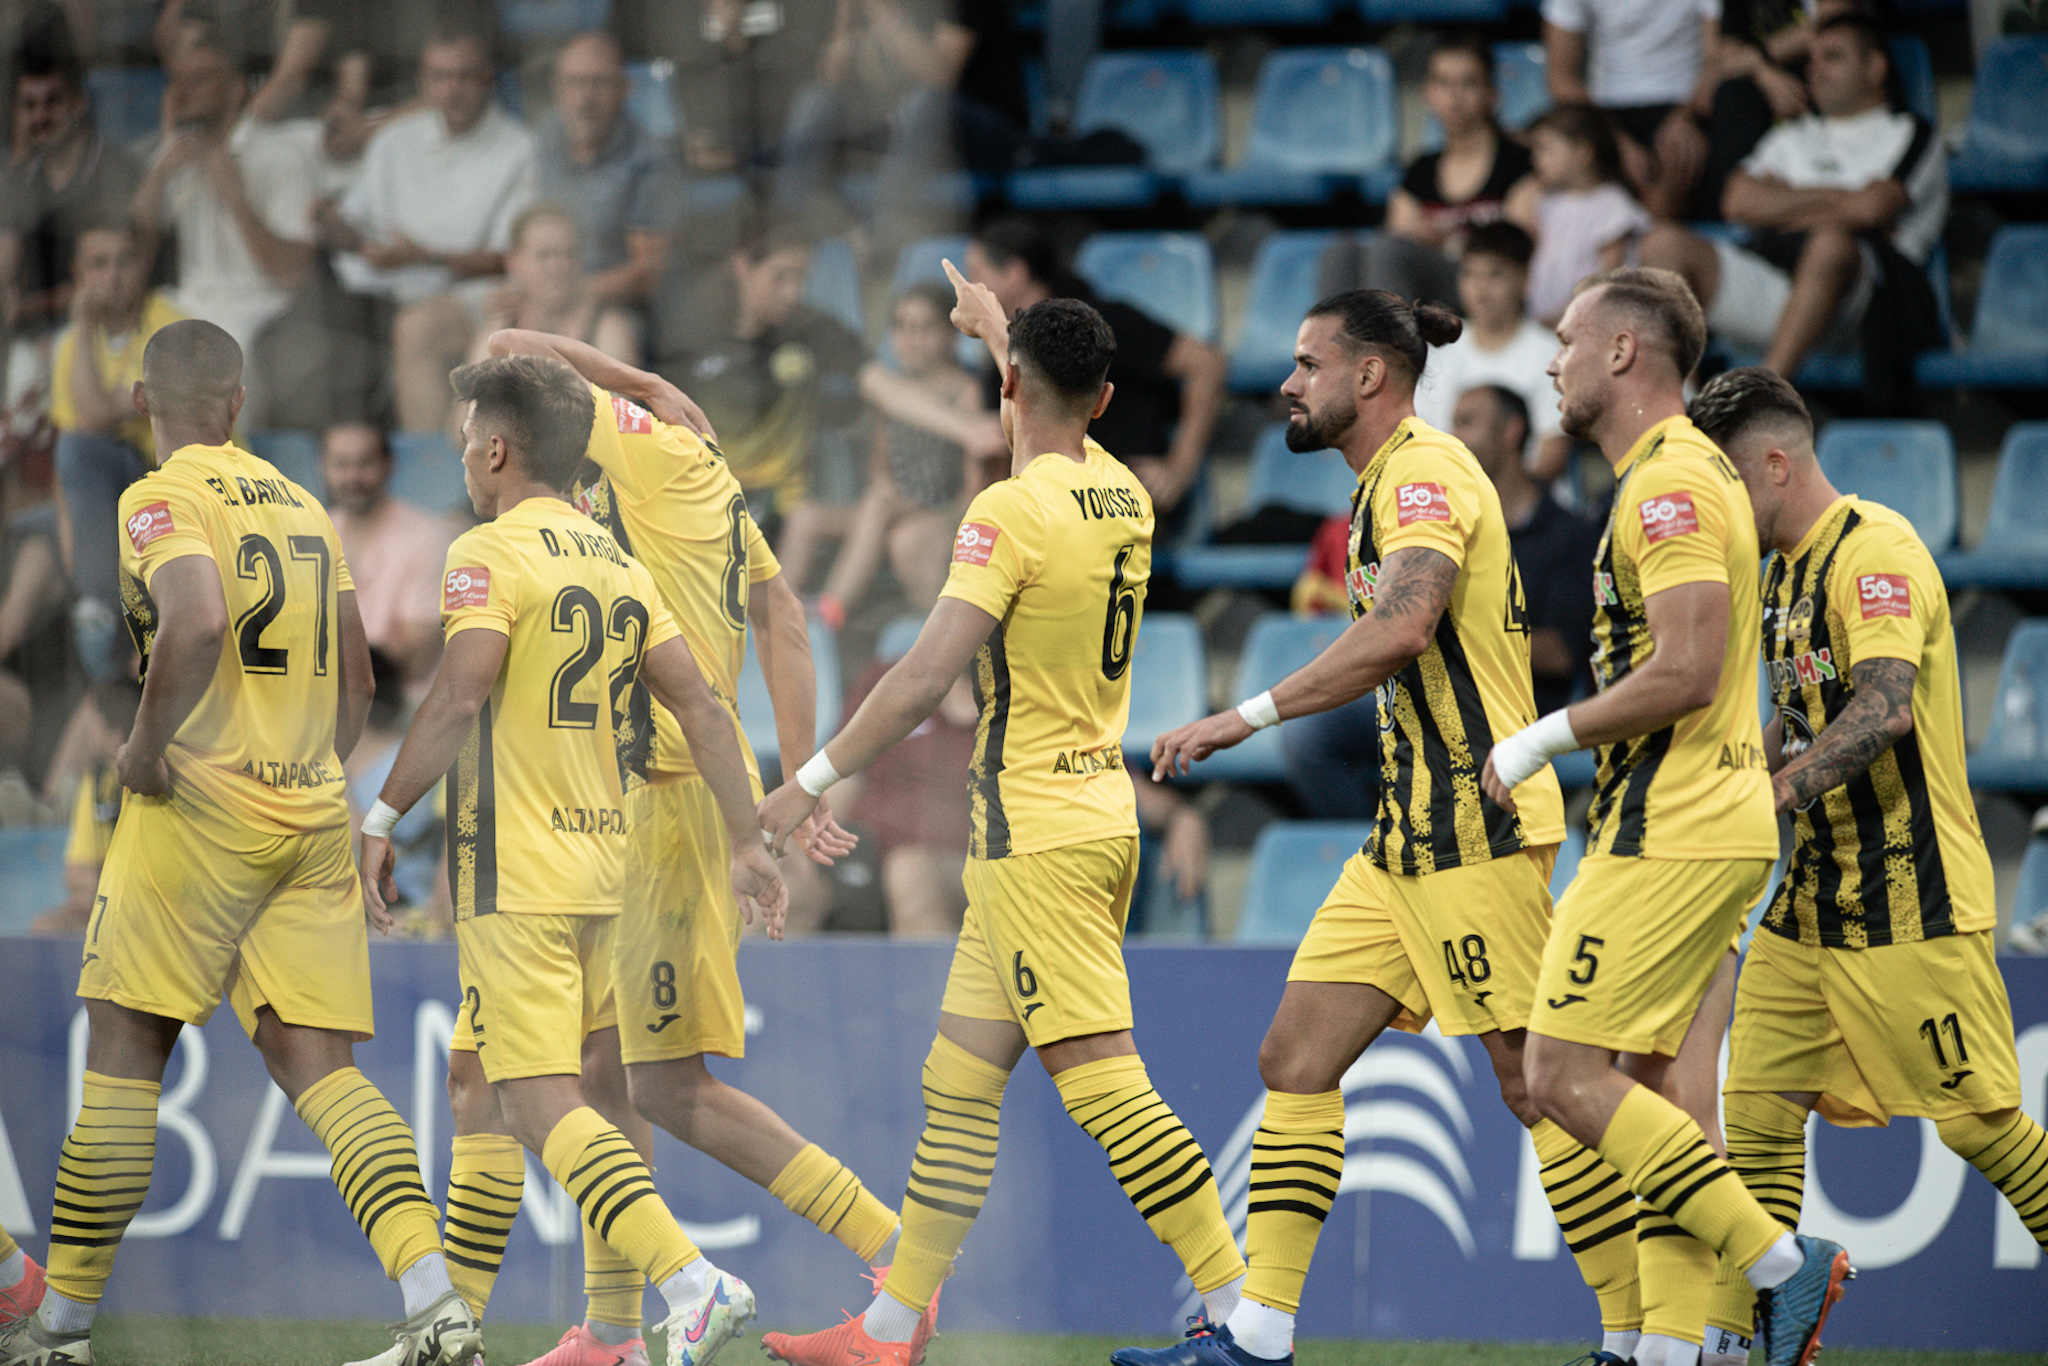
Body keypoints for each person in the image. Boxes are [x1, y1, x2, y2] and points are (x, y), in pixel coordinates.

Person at [1115, 292, 1629, 1366]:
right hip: (1406, 838)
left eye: (1306, 363)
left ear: (1366, 377)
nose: (1287, 383)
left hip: (1471, 826)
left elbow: (1403, 626)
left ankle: (1648, 1338)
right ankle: (1258, 1336)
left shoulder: (1424, 472)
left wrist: (1237, 715)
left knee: (1540, 1086)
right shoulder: (1376, 486)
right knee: (1293, 1058)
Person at [754, 268, 1247, 1366]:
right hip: (1085, 816)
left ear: (1012, 386)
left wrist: (811, 779)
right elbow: (1046, 430)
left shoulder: (1005, 511)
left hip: (1035, 834)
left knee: (1104, 1082)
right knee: (960, 1081)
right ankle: (890, 1328)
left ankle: (1242, 1312)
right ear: (1107, 402)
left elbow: (928, 676)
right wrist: (995, 333)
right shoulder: (1121, 490)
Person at [0, 319, 477, 1366]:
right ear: (239, 399)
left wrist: (140, 748)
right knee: (326, 1073)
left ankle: (62, 1332)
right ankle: (437, 1307)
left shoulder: (156, 497)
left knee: (126, 1058)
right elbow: (358, 681)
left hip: (194, 813)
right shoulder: (305, 505)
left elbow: (199, 621)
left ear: (141, 400)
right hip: (309, 815)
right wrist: (307, 769)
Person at [442, 326, 897, 1366]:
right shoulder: (699, 468)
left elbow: (508, 343)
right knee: (604, 1072)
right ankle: (611, 1335)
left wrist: (640, 380)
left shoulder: (636, 447)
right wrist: (798, 776)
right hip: (637, 795)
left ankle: (897, 1258)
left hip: (667, 791)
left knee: (660, 1083)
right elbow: (779, 614)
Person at [354, 355, 787, 1366]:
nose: (463, 454)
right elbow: (703, 707)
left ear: (497, 449)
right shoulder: (614, 558)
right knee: (479, 1075)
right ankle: (449, 1330)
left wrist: (379, 816)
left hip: (519, 875)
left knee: (536, 1098)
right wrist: (744, 839)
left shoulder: (485, 555)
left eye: (467, 438)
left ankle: (690, 1277)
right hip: (607, 873)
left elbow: (459, 698)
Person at [1480, 268, 1853, 1366]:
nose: (1547, 359)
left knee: (1558, 1075)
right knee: (1663, 1097)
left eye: (1562, 338)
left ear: (1621, 354)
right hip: (1708, 824)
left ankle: (1781, 1267)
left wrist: (1538, 737)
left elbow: (1687, 669)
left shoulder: (1670, 488)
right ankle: (1665, 1347)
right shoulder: (1670, 475)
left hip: (1671, 830)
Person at [1685, 367, 2048, 1366]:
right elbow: (1800, 716)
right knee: (1750, 1111)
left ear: (1771, 462)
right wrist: (1728, 774)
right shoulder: (1775, 575)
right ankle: (1740, 1342)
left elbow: (1883, 707)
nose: (1712, 507)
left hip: (1912, 899)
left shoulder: (1873, 551)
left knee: (1980, 1128)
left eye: (1721, 482)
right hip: (1812, 902)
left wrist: (1775, 793)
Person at [1638, 13, 1946, 391]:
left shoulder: (1910, 132)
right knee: (1662, 244)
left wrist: (1784, 203)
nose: (1815, 70)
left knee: (1831, 243)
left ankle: (1761, 401)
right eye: (1812, 60)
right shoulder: (1793, 135)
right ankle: (1685, 419)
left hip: (1868, 301)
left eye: (1832, 57)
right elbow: (1737, 202)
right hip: (1779, 282)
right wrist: (1839, 195)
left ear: (1875, 66)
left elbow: (1872, 209)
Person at [319, 29, 535, 431]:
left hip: (476, 293)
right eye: (439, 77)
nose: (452, 90)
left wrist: (422, 257)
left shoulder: (519, 148)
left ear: (487, 78)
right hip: (381, 290)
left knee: (416, 327)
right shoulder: (393, 141)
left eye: (464, 77)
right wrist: (332, 224)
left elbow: (509, 259)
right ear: (423, 82)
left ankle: (430, 470)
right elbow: (354, 225)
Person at [966, 217, 1225, 527]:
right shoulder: (1004, 346)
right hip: (1048, 504)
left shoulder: (1096, 324)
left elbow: (1207, 363)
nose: (969, 289)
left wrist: (1180, 466)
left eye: (976, 276)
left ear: (1015, 273)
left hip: (1118, 499)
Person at [126, 24, 320, 397]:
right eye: (176, 81)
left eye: (198, 80)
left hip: (256, 313)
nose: (181, 92)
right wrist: (157, 177)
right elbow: (131, 252)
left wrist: (236, 199)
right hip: (182, 306)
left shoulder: (281, 157)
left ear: (237, 88)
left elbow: (292, 274)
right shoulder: (173, 158)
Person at [796, 282, 985, 626]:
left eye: (924, 327)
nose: (911, 338)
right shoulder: (892, 390)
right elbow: (879, 464)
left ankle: (831, 610)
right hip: (890, 507)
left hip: (941, 512)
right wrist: (888, 493)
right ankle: (778, 615)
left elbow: (974, 491)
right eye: (902, 326)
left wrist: (912, 507)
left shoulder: (965, 391)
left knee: (887, 518)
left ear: (951, 334)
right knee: (806, 515)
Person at [651, 227, 866, 528]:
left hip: (783, 513)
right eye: (780, 277)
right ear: (742, 266)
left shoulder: (811, 328)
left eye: (801, 278)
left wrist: (956, 424)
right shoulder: (690, 337)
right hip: (704, 506)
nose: (793, 292)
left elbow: (880, 383)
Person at [49, 221, 182, 682]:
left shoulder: (169, 322)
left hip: (170, 479)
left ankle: (104, 606)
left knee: (81, 448)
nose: (113, 276)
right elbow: (68, 467)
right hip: (108, 497)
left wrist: (83, 321)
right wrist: (78, 578)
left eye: (125, 261)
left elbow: (94, 417)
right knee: (35, 522)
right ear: (78, 272)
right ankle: (97, 604)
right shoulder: (70, 347)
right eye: (98, 264)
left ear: (144, 266)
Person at [1320, 36, 1536, 312]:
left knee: (1389, 252)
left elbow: (1516, 249)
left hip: (1483, 288)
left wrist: (1445, 242)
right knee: (1341, 250)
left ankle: (1396, 350)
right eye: (1443, 83)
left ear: (1492, 93)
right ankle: (1336, 350)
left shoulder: (1519, 165)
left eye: (1468, 83)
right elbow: (1399, 234)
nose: (1455, 97)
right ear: (1428, 93)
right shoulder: (1419, 172)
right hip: (1425, 290)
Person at [1453, 384, 1600, 716]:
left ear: (1511, 431)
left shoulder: (1571, 536)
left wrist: (1456, 637)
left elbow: (1561, 655)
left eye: (1466, 422)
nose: (1453, 437)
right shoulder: (1453, 528)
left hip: (1519, 717)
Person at [0, 42, 144, 337]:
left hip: (105, 327)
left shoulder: (116, 170)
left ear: (79, 103)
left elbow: (109, 282)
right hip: (31, 334)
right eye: (29, 106)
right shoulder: (19, 178)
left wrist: (27, 307)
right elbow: (4, 268)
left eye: (52, 102)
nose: (41, 116)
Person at [531, 32, 682, 312]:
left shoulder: (652, 161)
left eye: (599, 83)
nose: (585, 97)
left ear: (625, 88)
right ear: (557, 88)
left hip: (610, 307)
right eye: (574, 82)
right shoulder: (544, 137)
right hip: (540, 298)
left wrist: (564, 295)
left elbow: (645, 275)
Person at [1413, 222, 1569, 480]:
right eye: (1469, 274)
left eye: (1495, 274)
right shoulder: (1438, 352)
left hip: (1523, 507)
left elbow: (1551, 459)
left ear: (1524, 278)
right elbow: (1419, 447)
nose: (1480, 289)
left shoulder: (1550, 355)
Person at [1542, 0, 1721, 219]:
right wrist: (1617, 141)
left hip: (1686, 105)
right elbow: (1561, 78)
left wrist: (1688, 116)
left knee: (1683, 160)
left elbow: (1718, 58)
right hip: (1605, 112)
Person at [321, 422, 455, 692]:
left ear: (388, 465)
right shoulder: (314, 532)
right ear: (322, 468)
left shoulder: (429, 537)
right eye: (341, 464)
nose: (353, 477)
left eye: (364, 463)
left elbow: (414, 657)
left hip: (400, 703)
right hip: (332, 697)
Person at [1510, 104, 1651, 328]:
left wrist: (1568, 315)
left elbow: (1609, 275)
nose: (1537, 160)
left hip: (1590, 324)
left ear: (1582, 154)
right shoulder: (1546, 202)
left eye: (1547, 150)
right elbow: (1516, 238)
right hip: (1540, 321)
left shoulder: (1613, 203)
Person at [466, 205, 639, 368]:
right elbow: (468, 397)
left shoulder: (608, 328)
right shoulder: (499, 331)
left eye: (569, 254)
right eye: (544, 256)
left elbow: (616, 397)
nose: (559, 267)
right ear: (514, 262)